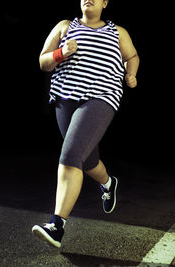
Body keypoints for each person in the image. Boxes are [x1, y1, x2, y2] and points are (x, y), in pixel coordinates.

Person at [32, 0, 139, 248]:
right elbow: (43, 62)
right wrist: (61, 53)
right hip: (65, 98)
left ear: (105, 3)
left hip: (101, 98)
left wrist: (131, 73)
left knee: (70, 154)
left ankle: (56, 225)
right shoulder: (64, 27)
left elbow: (132, 56)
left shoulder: (118, 31)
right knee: (87, 159)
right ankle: (108, 183)